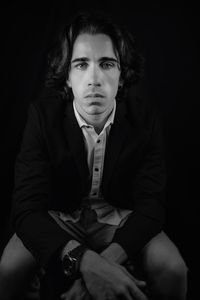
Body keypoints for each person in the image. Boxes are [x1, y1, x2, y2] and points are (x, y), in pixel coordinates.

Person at [0, 9, 188, 300]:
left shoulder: (144, 119)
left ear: (122, 77)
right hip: (59, 217)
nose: (94, 79)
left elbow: (152, 207)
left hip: (119, 219)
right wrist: (85, 262)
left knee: (173, 268)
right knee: (8, 268)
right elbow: (25, 209)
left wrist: (101, 269)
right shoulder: (42, 116)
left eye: (107, 64)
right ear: (66, 78)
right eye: (81, 65)